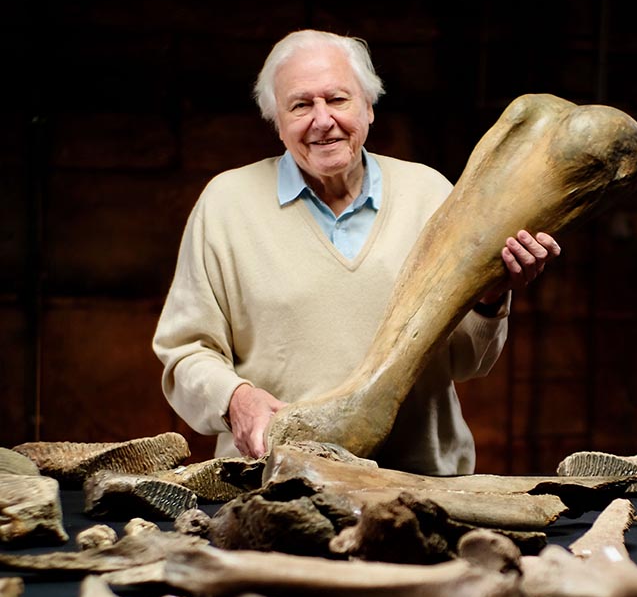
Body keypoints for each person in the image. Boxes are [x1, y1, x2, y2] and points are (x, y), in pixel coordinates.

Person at [153, 29, 560, 475]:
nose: (322, 120)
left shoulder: (430, 194)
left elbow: (467, 362)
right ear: (277, 120)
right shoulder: (226, 204)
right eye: (301, 105)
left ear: (368, 105)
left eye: (337, 99)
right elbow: (185, 351)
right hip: (271, 485)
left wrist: (489, 297)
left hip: (421, 485)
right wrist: (235, 400)